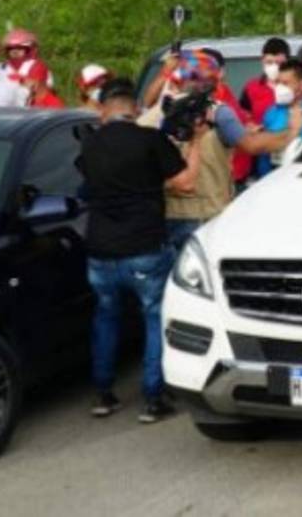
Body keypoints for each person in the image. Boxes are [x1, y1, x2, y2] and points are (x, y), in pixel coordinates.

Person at [77, 76, 200, 423]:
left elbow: (88, 184)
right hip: (144, 246)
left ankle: (102, 394)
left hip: (100, 249)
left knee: (105, 317)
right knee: (153, 317)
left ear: (103, 110)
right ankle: (153, 397)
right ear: (134, 109)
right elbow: (186, 183)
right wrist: (198, 143)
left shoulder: (90, 145)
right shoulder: (149, 140)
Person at [140, 50, 300, 255]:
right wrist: (292, 132)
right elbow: (251, 146)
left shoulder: (154, 114)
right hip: (208, 215)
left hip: (165, 215)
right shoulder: (217, 112)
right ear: (214, 81)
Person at [255, 60, 302, 178]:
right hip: (276, 177)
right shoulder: (271, 113)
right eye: (278, 83)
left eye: (285, 83)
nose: (279, 87)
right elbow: (264, 154)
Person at [239, 37, 290, 127]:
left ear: (288, 62)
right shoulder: (251, 87)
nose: (274, 67)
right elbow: (242, 115)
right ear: (262, 61)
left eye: (279, 63)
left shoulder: (295, 86)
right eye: (269, 62)